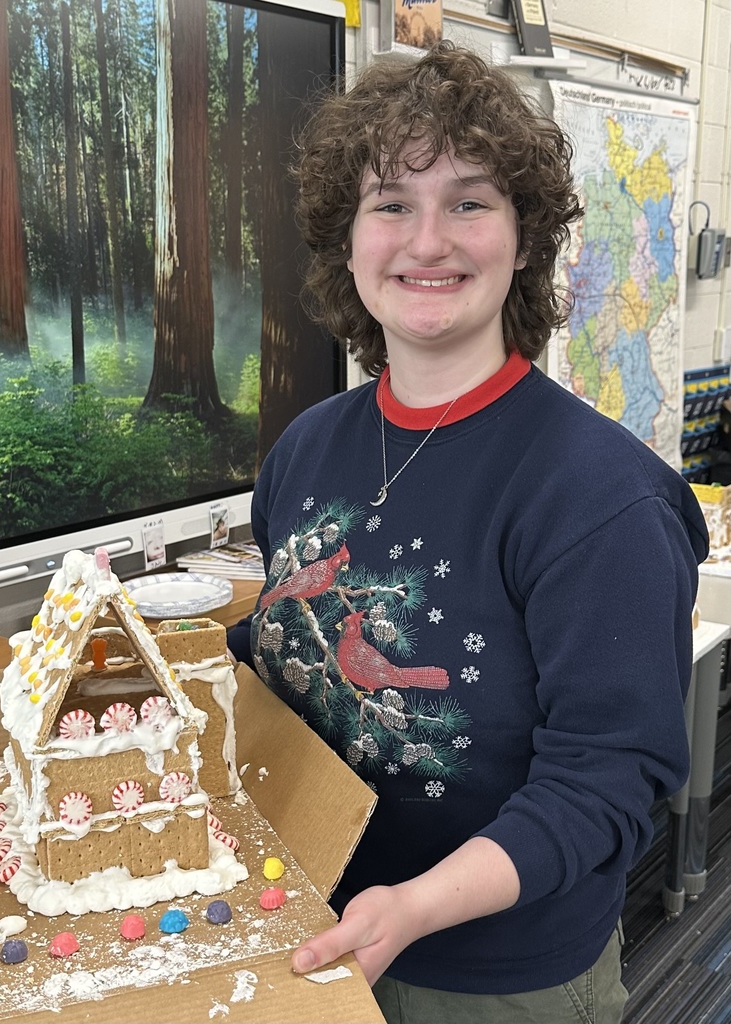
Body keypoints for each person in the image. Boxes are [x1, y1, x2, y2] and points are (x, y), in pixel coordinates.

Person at [226, 41, 708, 1024]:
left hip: (492, 978)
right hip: (295, 921)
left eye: (470, 201)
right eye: (391, 203)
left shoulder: (598, 496)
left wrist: (411, 907)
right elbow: (278, 652)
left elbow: (605, 783)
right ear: (348, 239)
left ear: (525, 238)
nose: (427, 239)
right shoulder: (306, 448)